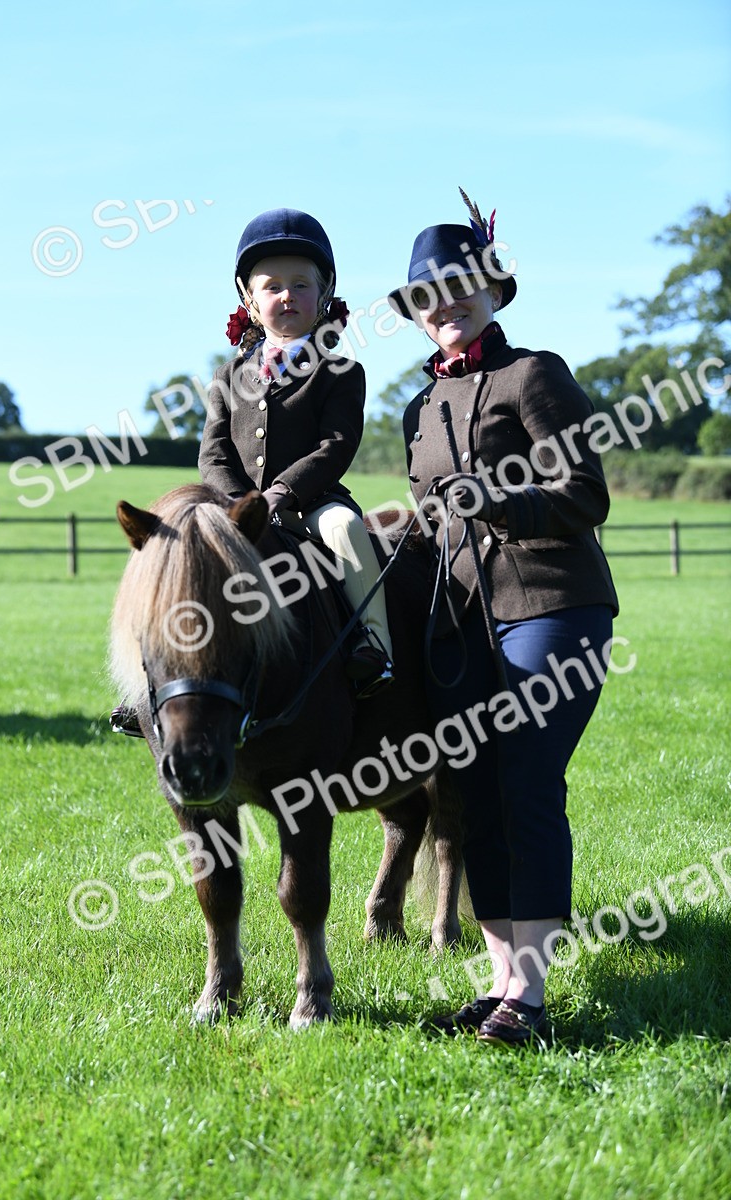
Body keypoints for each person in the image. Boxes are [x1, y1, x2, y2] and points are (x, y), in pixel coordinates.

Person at [387, 190, 619, 1046]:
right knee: (469, 794)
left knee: (525, 784)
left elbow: (584, 495)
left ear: (489, 287)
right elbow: (425, 518)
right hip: (463, 626)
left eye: (460, 285)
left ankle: (534, 998)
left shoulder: (536, 374)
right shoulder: (417, 410)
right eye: (427, 295)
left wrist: (496, 499)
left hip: (554, 605)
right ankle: (498, 989)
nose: (444, 303)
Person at [198, 208, 393, 696]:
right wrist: (241, 503)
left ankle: (375, 640)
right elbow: (212, 453)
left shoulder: (342, 372)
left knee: (347, 529)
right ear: (249, 297)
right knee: (175, 549)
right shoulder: (227, 377)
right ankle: (157, 671)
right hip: (234, 506)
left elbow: (336, 445)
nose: (287, 296)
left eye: (301, 285)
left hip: (311, 505)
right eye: (272, 286)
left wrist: (282, 494)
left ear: (324, 293)